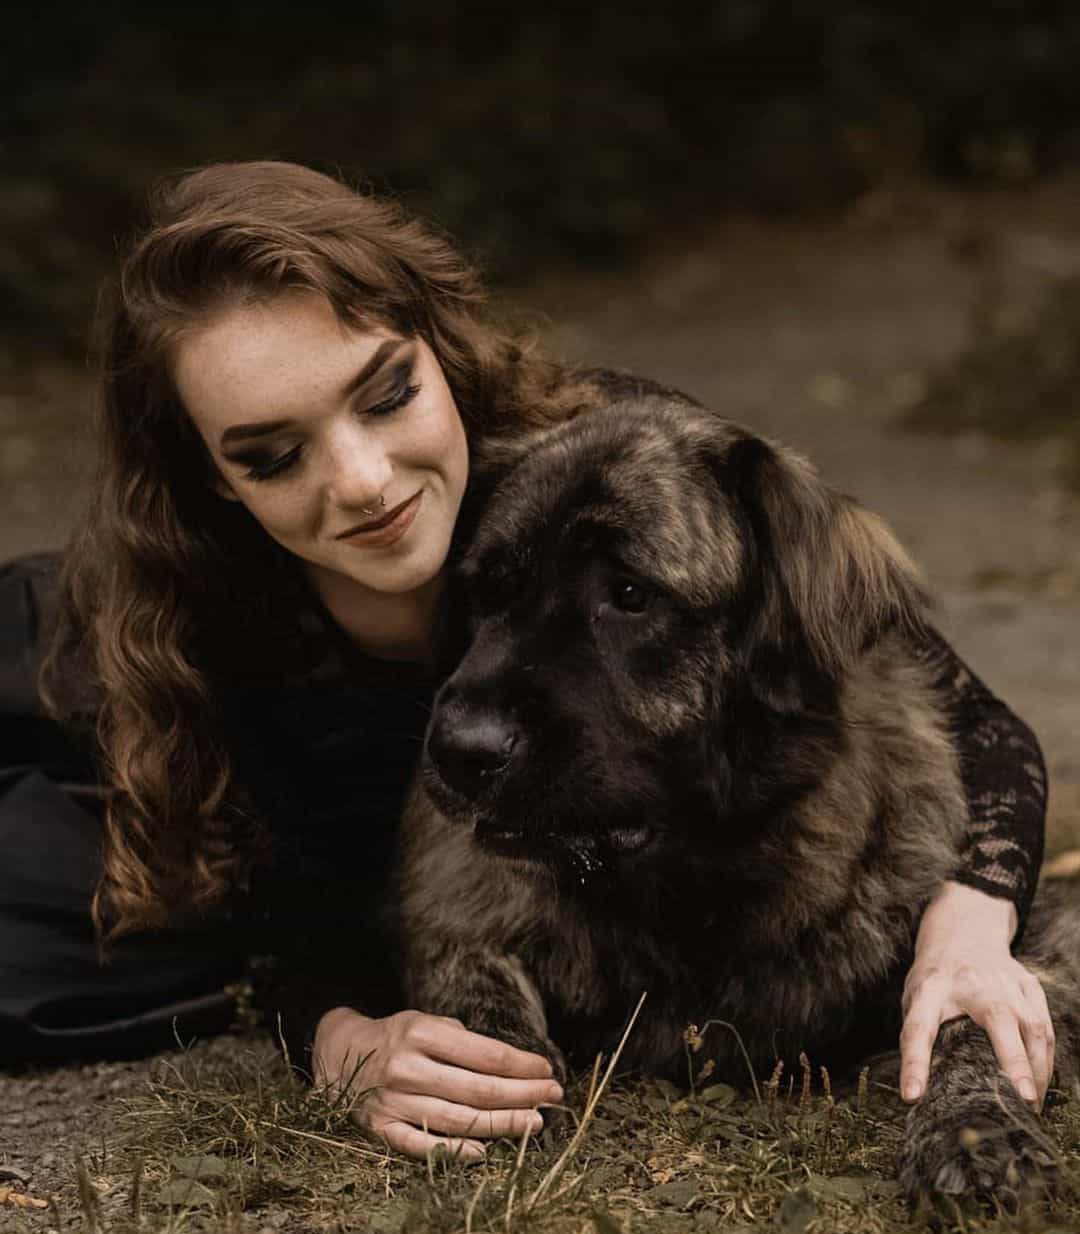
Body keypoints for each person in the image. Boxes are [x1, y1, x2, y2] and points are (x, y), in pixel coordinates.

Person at [0, 161, 1053, 1161]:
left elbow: (970, 718)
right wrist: (339, 1039)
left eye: (385, 394)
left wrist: (965, 926)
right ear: (216, 477)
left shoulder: (599, 457)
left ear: (438, 346)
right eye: (272, 454)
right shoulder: (203, 611)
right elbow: (283, 923)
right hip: (86, 661)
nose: (364, 481)